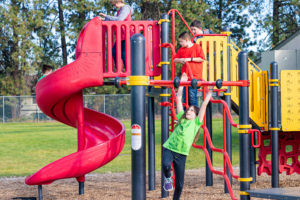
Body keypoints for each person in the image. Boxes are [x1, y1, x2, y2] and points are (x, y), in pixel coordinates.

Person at [162, 73, 213, 200]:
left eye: (192, 110)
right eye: (188, 110)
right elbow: (179, 98)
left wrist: (210, 89)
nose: (189, 111)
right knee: (166, 165)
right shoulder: (181, 118)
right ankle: (168, 178)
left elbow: (204, 105)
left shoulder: (196, 124)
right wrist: (182, 84)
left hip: (182, 154)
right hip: (170, 147)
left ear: (196, 115)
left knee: (179, 184)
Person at [99, 0, 134, 69]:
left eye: (114, 4)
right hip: (121, 36)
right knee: (114, 52)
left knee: (124, 55)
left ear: (118, 1)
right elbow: (115, 20)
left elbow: (119, 19)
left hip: (128, 35)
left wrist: (106, 16)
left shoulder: (126, 8)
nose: (114, 6)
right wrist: (104, 19)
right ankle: (120, 71)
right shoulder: (119, 10)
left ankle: (129, 72)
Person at [173, 32, 206, 106]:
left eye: (181, 41)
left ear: (186, 39)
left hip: (195, 77)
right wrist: (180, 60)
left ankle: (194, 115)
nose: (180, 43)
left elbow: (202, 59)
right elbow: (175, 59)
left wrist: (190, 59)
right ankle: (186, 115)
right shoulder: (182, 49)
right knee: (185, 98)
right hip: (185, 78)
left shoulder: (197, 47)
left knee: (192, 97)